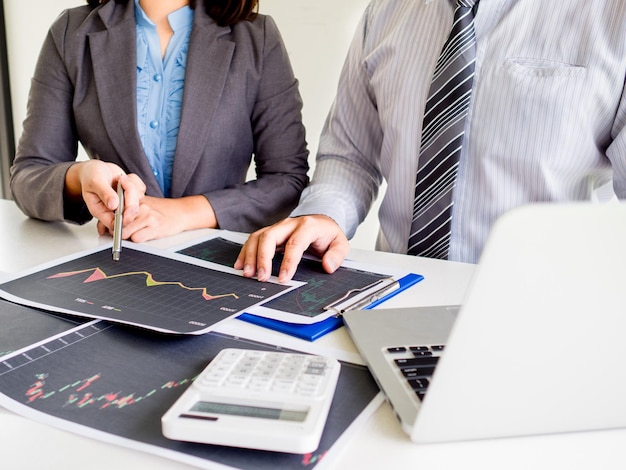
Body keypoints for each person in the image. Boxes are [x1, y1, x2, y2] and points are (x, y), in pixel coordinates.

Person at [236, 0, 626, 283]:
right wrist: (325, 215)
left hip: (544, 303)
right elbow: (350, 155)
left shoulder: (614, 15)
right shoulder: (384, 12)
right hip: (393, 295)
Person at [10, 0, 308, 242]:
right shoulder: (71, 33)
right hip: (116, 264)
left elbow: (287, 181)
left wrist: (183, 213)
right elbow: (28, 177)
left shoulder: (258, 37)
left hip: (220, 265)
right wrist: (82, 175)